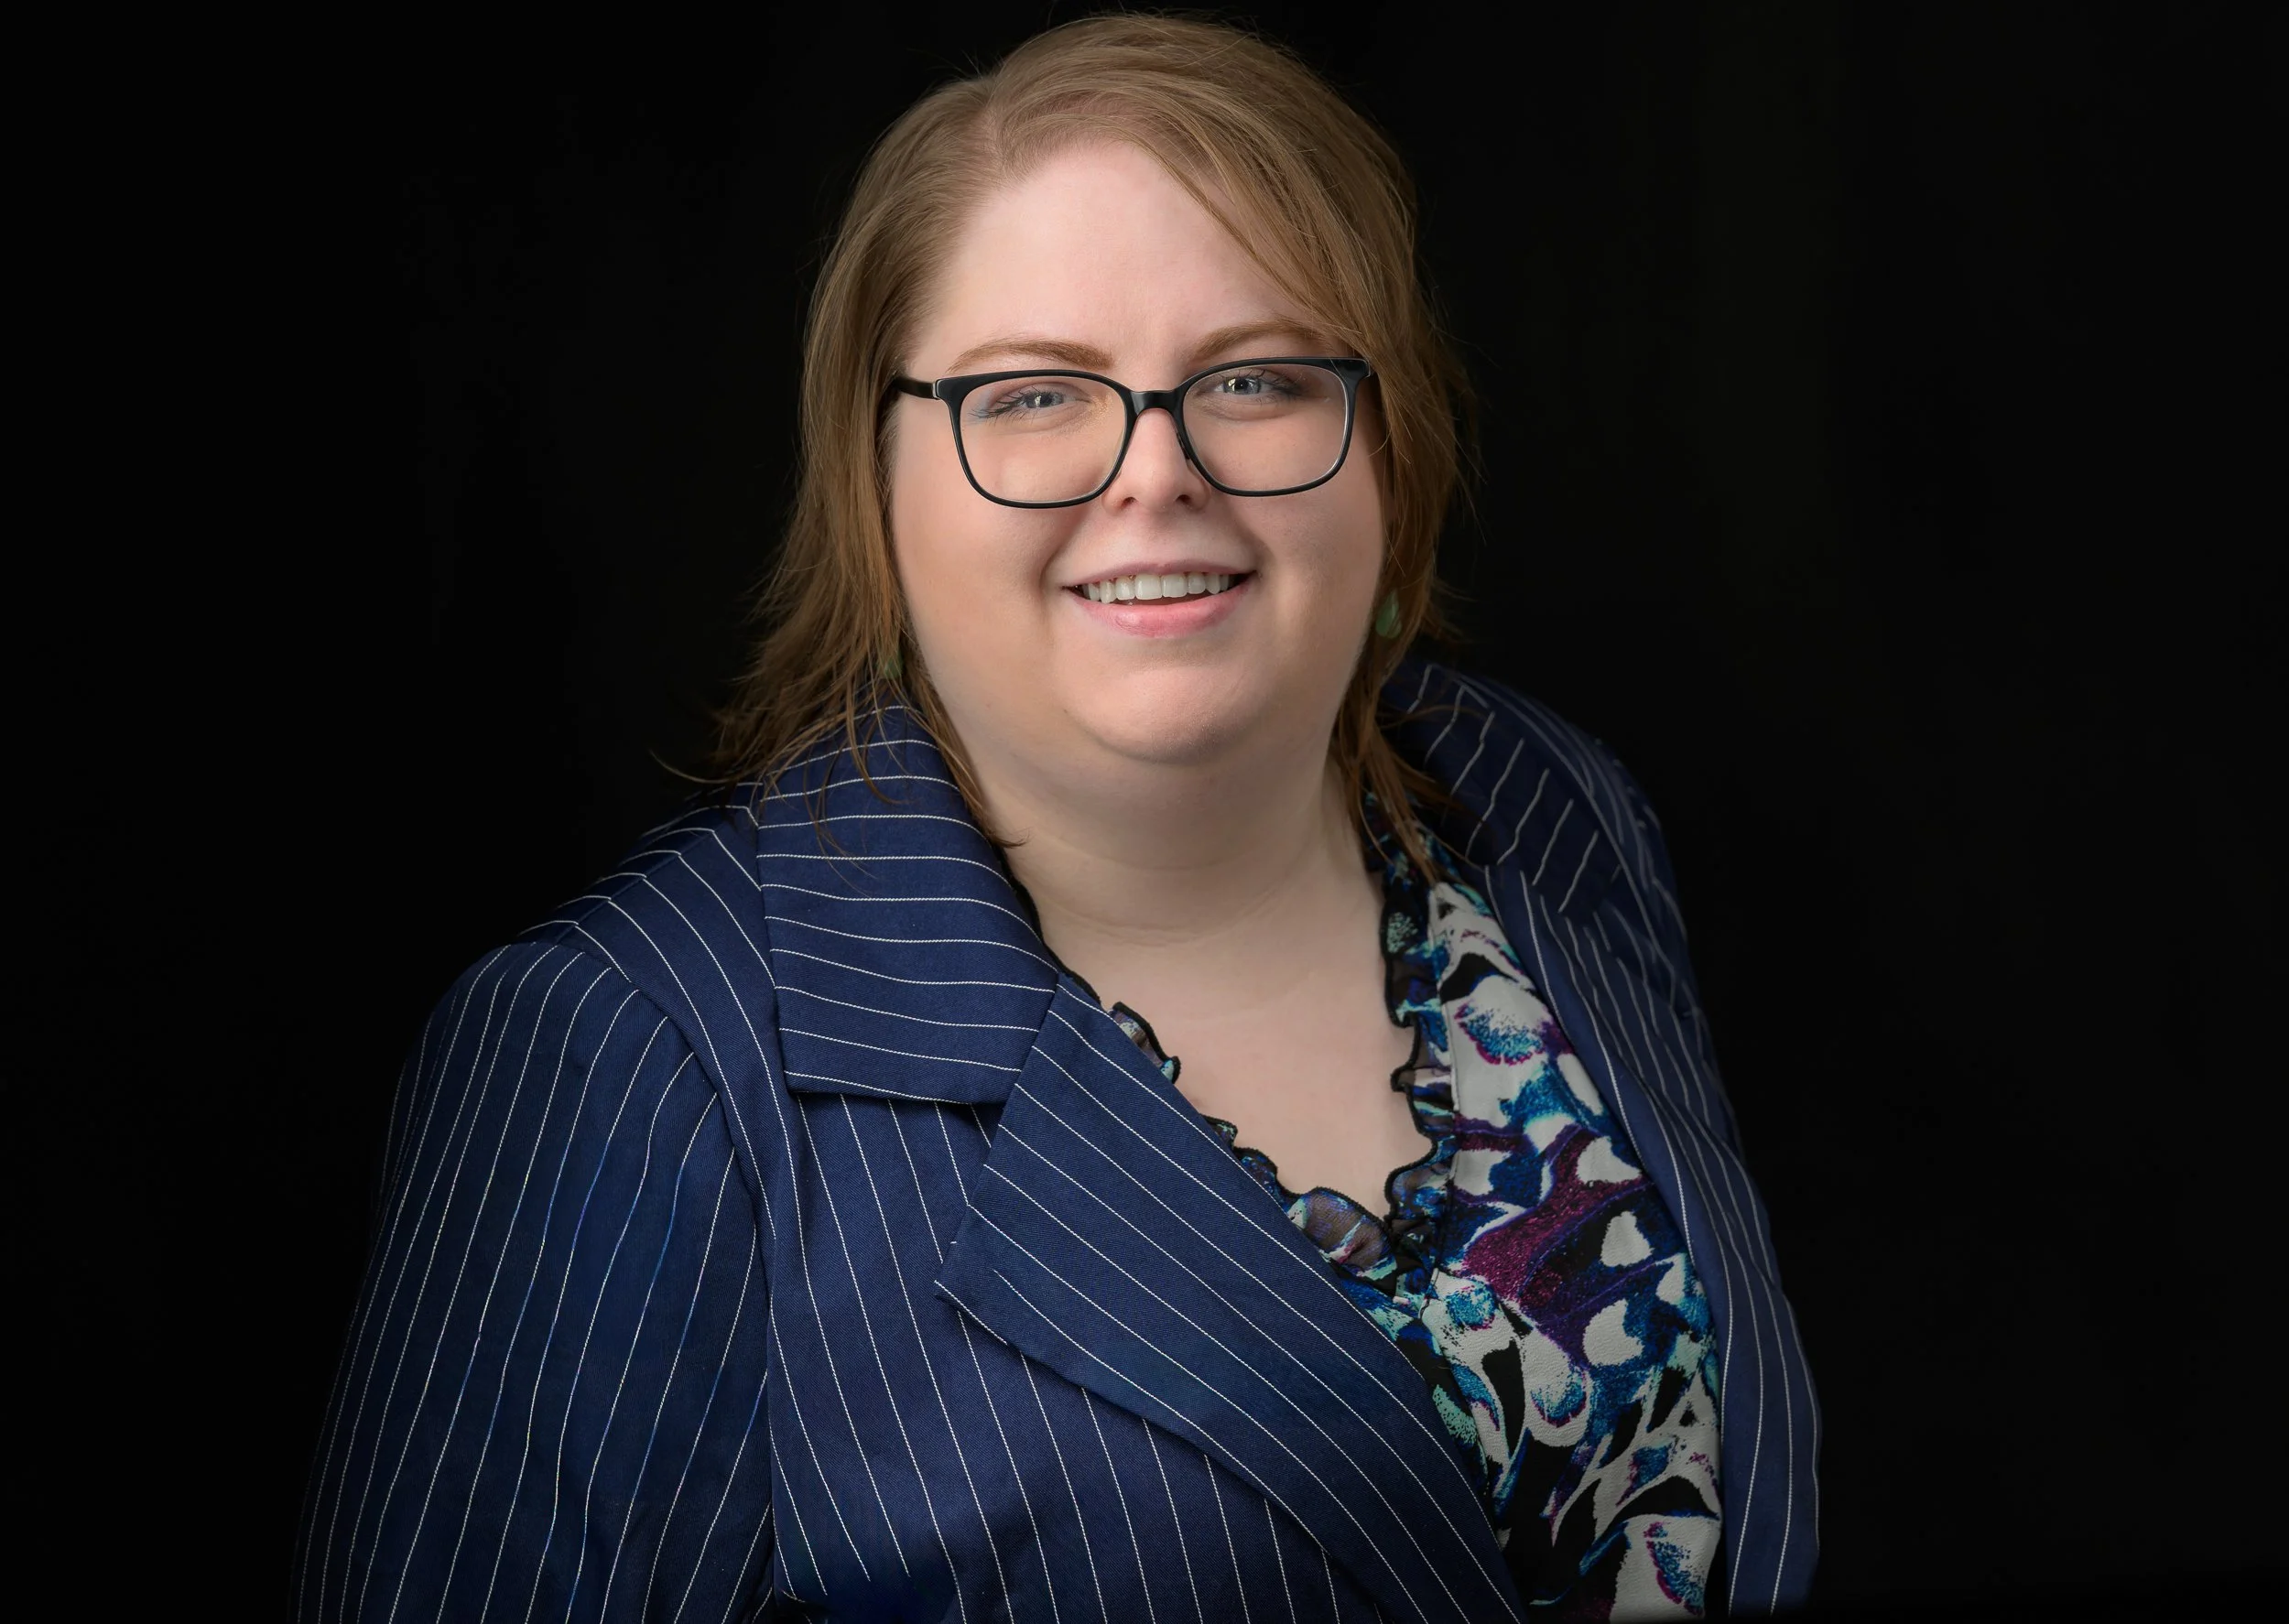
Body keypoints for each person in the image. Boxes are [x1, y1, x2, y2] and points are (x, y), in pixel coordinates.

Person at [298, 16, 1817, 1620]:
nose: (1154, 472)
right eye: (1033, 396)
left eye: (1253, 376)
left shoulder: (1548, 809)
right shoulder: (629, 1054)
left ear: (1389, 444)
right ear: (872, 479)